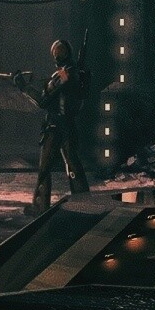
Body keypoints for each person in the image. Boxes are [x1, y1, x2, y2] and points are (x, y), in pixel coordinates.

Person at [15, 38, 90, 213]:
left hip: (55, 126)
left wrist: (23, 86)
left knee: (45, 168)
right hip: (68, 125)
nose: (56, 56)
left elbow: (43, 100)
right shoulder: (75, 72)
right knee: (73, 164)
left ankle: (40, 206)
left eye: (58, 52)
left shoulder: (64, 74)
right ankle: (84, 201)